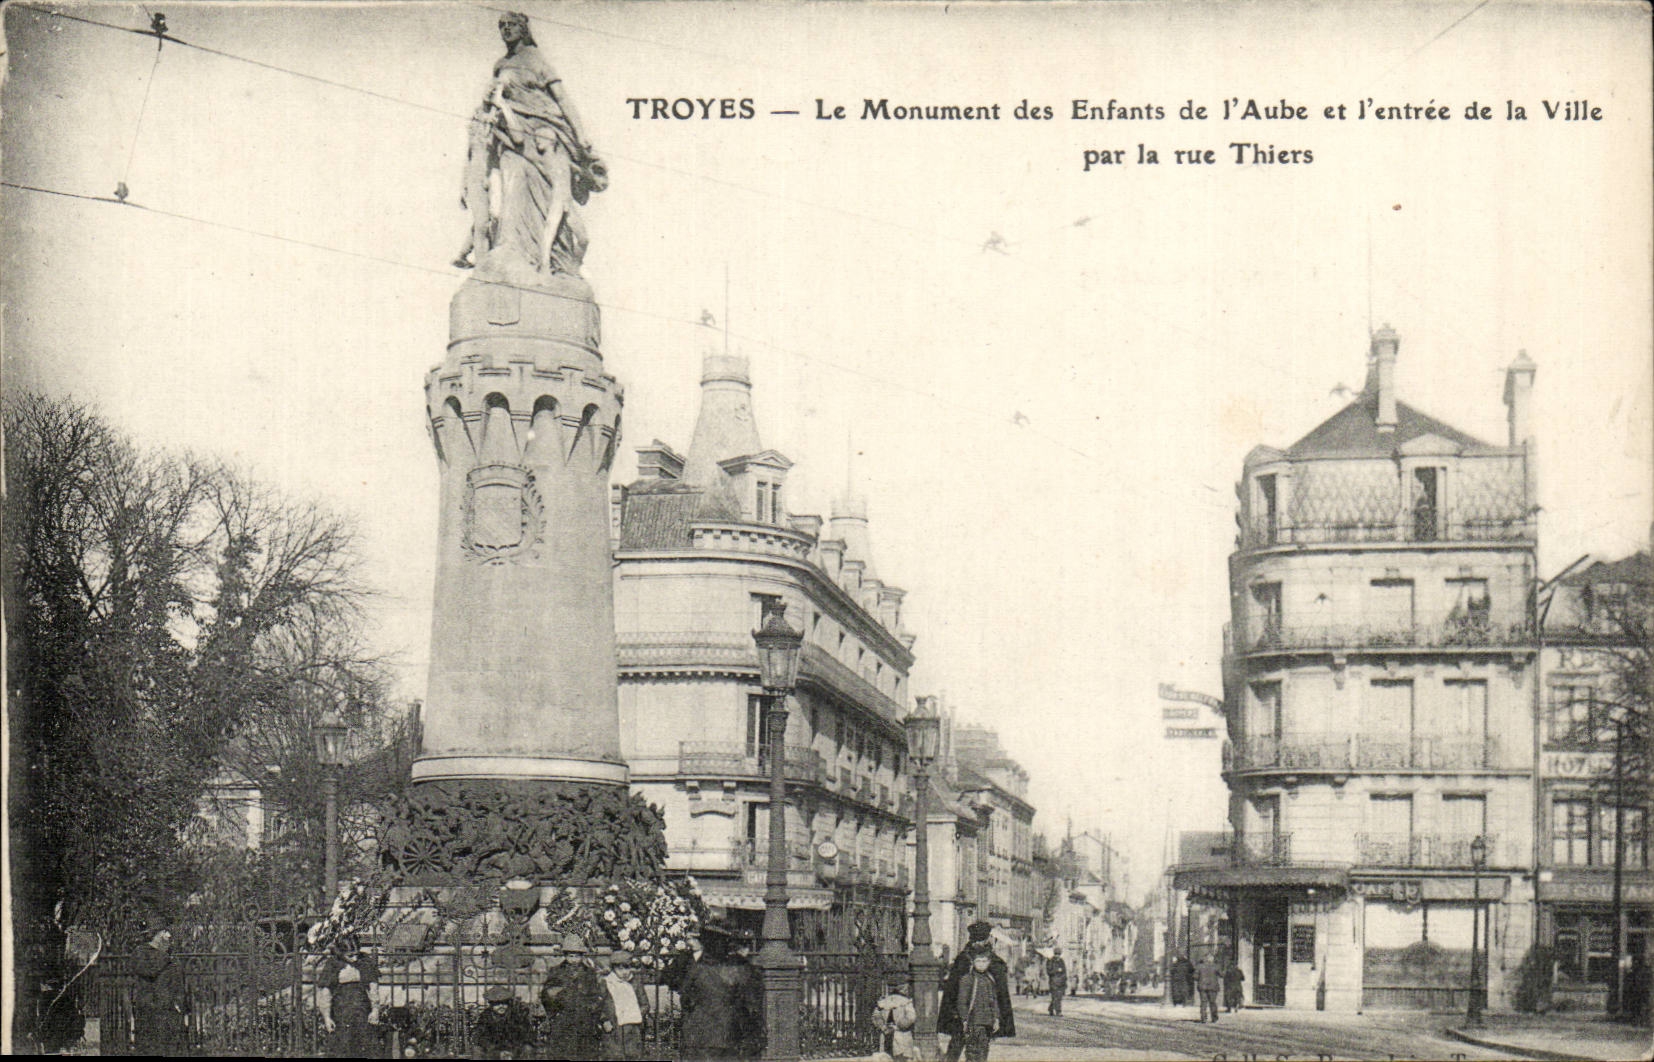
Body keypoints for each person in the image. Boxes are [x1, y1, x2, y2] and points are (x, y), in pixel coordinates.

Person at [458, 11, 606, 281]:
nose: (505, 30)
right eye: (501, 26)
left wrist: (581, 134)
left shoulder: (538, 62)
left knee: (548, 196)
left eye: (511, 25)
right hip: (511, 137)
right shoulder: (500, 65)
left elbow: (563, 101)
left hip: (543, 135)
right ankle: (512, 250)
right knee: (513, 191)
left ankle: (548, 258)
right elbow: (490, 105)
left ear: (523, 29)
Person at [677, 924, 763, 1060]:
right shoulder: (739, 970)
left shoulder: (696, 969)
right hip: (728, 1035)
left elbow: (685, 998)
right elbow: (750, 1006)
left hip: (699, 1035)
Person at [939, 921, 1014, 1062]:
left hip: (962, 1015)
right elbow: (1000, 994)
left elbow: (951, 991)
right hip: (975, 1017)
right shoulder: (994, 961)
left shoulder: (962, 959)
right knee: (976, 1049)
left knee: (959, 1045)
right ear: (987, 938)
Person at [541, 934, 606, 1061]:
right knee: (562, 1052)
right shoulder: (556, 971)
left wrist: (591, 1009)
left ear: (582, 956)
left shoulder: (589, 973)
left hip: (584, 1019)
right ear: (565, 956)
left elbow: (596, 995)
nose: (574, 960)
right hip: (563, 1018)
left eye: (577, 956)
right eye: (571, 956)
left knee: (584, 1053)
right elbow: (546, 995)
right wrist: (554, 1008)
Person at [317, 934, 381, 1057]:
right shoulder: (333, 965)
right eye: (350, 955)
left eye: (357, 954)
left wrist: (375, 1010)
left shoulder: (365, 962)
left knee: (365, 1046)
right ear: (341, 954)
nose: (355, 958)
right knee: (343, 1046)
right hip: (341, 1012)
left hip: (362, 1010)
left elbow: (373, 988)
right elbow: (326, 993)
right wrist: (327, 1017)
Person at [130, 929, 188, 1056]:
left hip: (162, 1008)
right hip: (154, 1008)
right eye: (165, 932)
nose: (169, 936)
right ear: (156, 935)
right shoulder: (152, 955)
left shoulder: (165, 957)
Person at [598, 950, 650, 1060]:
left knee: (633, 1055)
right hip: (613, 1027)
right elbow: (600, 1005)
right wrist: (604, 1020)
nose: (624, 972)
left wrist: (634, 1014)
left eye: (627, 968)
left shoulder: (635, 983)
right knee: (614, 1055)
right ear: (613, 969)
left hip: (632, 1027)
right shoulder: (607, 983)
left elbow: (645, 1004)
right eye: (620, 969)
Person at [475, 985, 535, 1059]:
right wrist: (497, 1053)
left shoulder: (517, 1015)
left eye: (504, 1003)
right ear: (491, 1004)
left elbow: (527, 1036)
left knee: (528, 1049)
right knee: (477, 1050)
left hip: (514, 1050)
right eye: (497, 1004)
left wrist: (513, 1051)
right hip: (494, 1051)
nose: (501, 1006)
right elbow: (481, 1037)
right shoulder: (485, 1016)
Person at [871, 978, 917, 1061]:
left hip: (891, 1033)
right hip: (899, 1034)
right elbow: (911, 1017)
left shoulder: (883, 1002)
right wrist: (897, 1026)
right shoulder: (906, 1002)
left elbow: (876, 1016)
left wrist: (884, 1027)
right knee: (899, 1057)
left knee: (889, 1057)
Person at [1194, 952, 1222, 1023]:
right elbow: (1222, 974)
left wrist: (1200, 979)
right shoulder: (1216, 966)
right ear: (1212, 959)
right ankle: (1214, 1018)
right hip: (1213, 987)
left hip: (1202, 987)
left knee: (1203, 1002)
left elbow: (1195, 976)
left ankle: (1203, 1018)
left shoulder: (1199, 966)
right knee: (1213, 1002)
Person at [1045, 947, 1068, 1016]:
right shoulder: (1050, 961)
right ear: (1054, 954)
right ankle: (1058, 1011)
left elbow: (1064, 971)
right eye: (1056, 954)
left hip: (1061, 982)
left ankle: (1051, 1008)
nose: (1057, 955)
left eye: (1059, 954)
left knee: (1059, 997)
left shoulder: (1061, 961)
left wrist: (1065, 981)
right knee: (1055, 996)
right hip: (1053, 981)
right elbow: (1049, 971)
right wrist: (1057, 970)